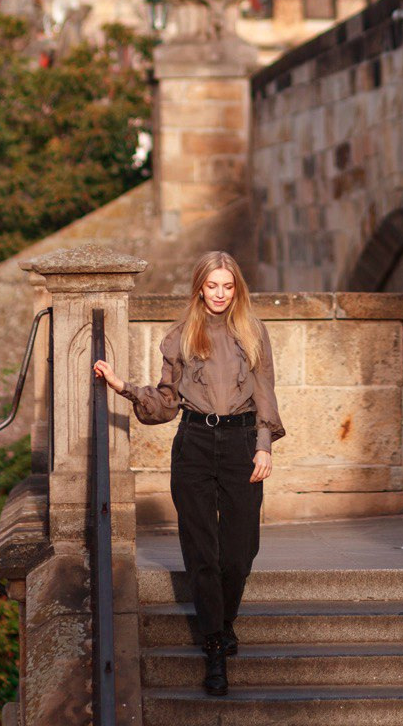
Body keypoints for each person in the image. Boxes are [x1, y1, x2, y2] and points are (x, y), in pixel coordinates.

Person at [93, 250, 284, 697]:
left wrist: (263, 447)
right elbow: (165, 403)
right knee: (202, 554)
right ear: (200, 287)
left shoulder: (253, 332)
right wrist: (124, 388)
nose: (219, 294)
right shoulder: (180, 336)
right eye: (212, 285)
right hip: (194, 445)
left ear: (236, 288)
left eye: (227, 286)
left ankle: (224, 621)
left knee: (239, 554)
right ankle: (215, 648)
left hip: (241, 445)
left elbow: (266, 394)